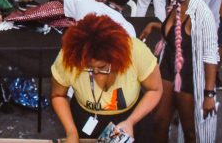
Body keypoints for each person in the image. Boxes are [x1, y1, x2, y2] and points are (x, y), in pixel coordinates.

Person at [50, 14, 163, 142]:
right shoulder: (68, 56)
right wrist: (71, 132)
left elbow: (155, 89)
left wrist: (131, 121)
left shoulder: (135, 50)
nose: (96, 72)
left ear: (116, 58)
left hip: (131, 116)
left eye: (102, 67)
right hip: (85, 117)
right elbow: (58, 95)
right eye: (88, 67)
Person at [145, 0, 218, 143]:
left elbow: (211, 55)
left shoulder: (202, 14)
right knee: (159, 122)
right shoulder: (176, 3)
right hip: (167, 70)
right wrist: (154, 25)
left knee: (190, 131)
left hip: (189, 78)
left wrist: (209, 94)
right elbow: (173, 33)